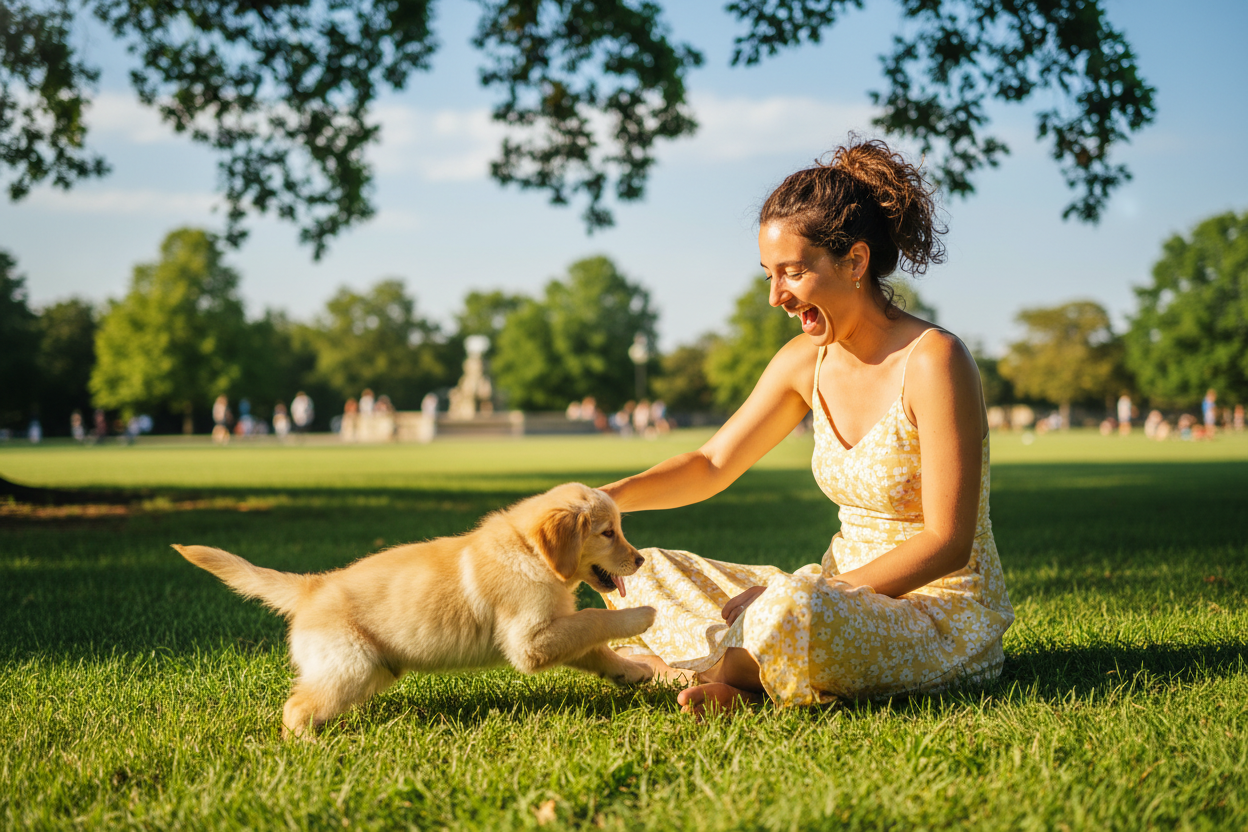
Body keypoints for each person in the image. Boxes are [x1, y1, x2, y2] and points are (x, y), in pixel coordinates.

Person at [599, 138, 1013, 715]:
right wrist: (602, 500)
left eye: (792, 272)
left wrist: (799, 595)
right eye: (769, 275)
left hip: (935, 616)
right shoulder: (804, 361)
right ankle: (744, 671)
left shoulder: (934, 360)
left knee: (793, 608)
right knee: (643, 574)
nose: (776, 297)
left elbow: (947, 544)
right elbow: (711, 464)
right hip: (828, 594)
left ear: (855, 261)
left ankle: (691, 667)